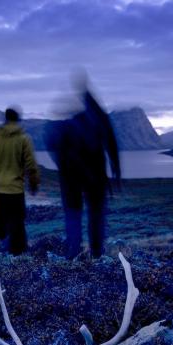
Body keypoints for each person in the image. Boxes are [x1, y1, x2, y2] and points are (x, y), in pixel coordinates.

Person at [46, 83, 120, 259]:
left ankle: (73, 254)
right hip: (95, 179)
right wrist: (115, 172)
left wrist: (63, 166)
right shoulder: (96, 122)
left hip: (70, 181)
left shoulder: (60, 127)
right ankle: (96, 254)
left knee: (73, 216)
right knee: (96, 216)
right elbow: (111, 144)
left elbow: (52, 147)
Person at [0, 107, 40, 255]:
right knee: (17, 221)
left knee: (0, 220)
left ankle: (4, 248)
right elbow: (31, 164)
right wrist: (33, 183)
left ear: (5, 119)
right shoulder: (23, 138)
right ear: (17, 119)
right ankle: (18, 254)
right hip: (15, 189)